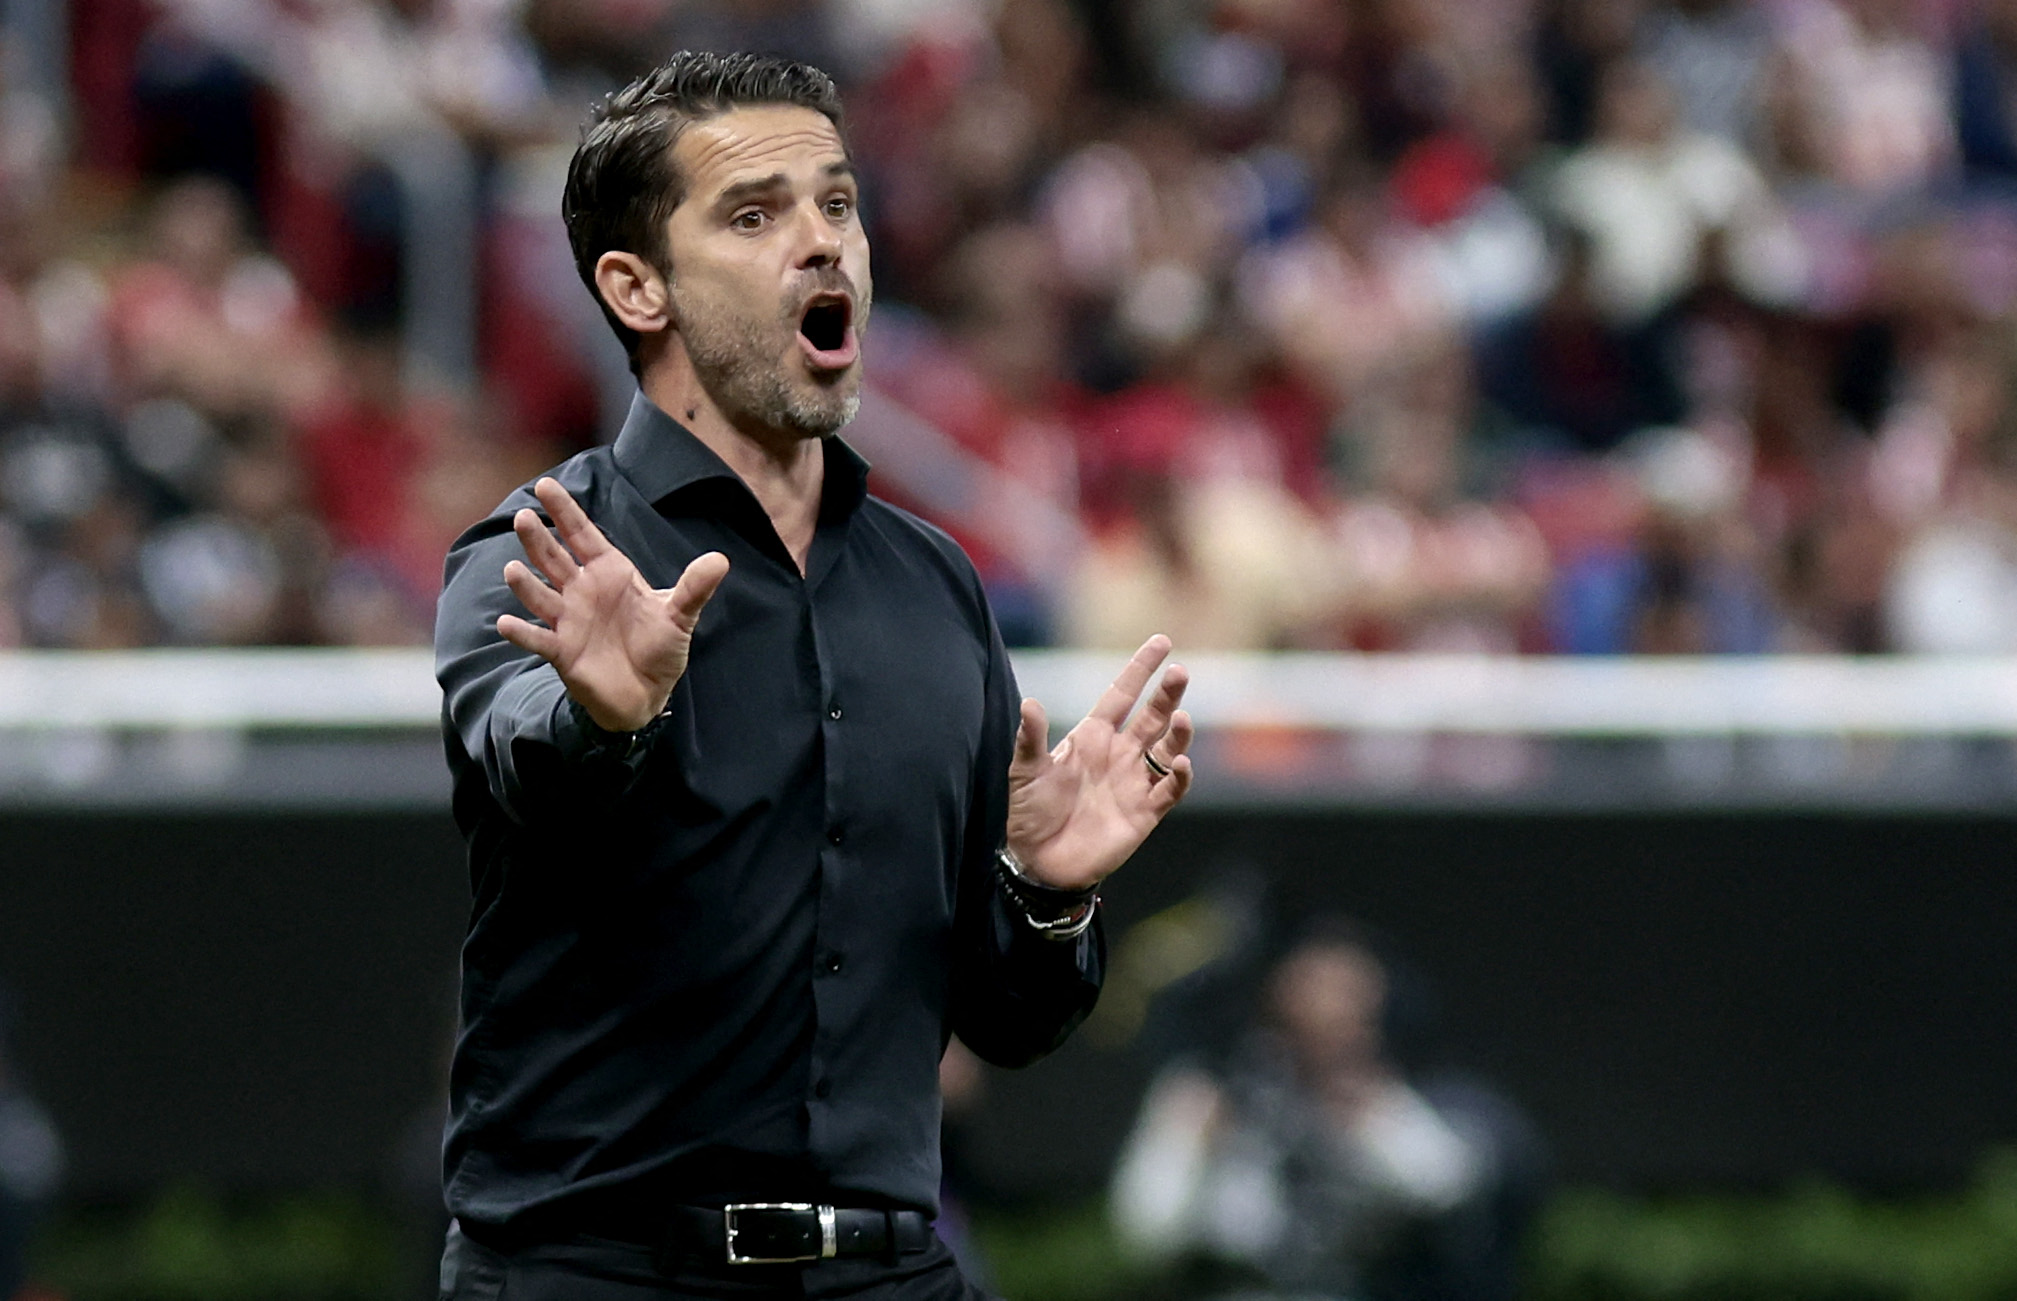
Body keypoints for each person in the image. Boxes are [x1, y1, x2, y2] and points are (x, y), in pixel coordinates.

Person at [432, 51, 1196, 1300]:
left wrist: (1044, 895)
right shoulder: (539, 550)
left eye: (836, 203)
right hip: (593, 1274)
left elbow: (1001, 1020)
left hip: (887, 1271)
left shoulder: (940, 590)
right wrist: (601, 718)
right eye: (753, 214)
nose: (822, 242)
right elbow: (525, 751)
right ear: (636, 286)